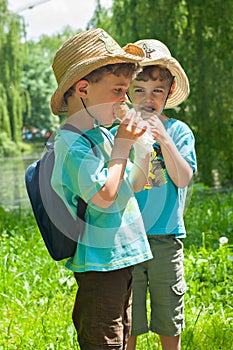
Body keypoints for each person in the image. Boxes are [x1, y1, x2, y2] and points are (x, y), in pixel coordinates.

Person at [49, 28, 153, 350]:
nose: (125, 99)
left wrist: (144, 150)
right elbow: (104, 196)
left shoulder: (104, 136)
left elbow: (134, 185)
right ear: (83, 88)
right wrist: (122, 146)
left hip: (122, 259)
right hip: (99, 264)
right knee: (104, 339)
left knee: (122, 335)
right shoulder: (69, 143)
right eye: (119, 90)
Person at [124, 39, 197, 350]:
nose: (147, 98)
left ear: (168, 93)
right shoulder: (119, 131)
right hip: (126, 239)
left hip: (166, 238)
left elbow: (182, 179)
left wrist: (164, 139)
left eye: (157, 90)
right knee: (128, 319)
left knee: (169, 317)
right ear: (127, 91)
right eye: (139, 89)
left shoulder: (179, 131)